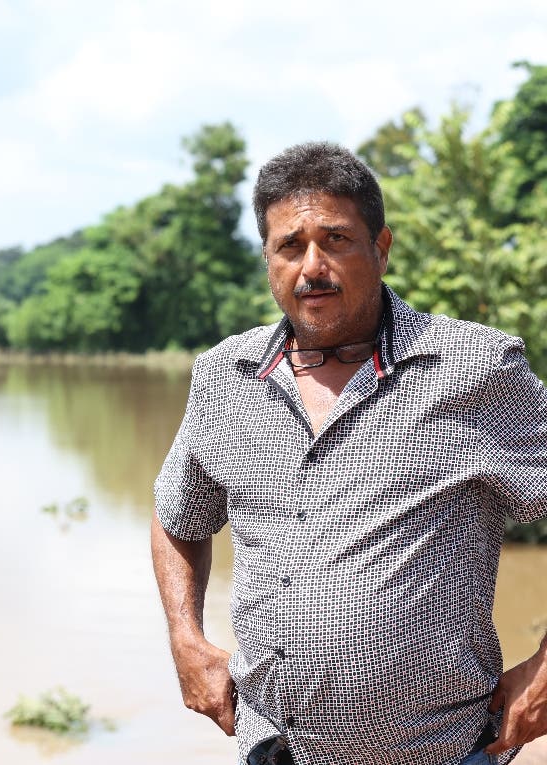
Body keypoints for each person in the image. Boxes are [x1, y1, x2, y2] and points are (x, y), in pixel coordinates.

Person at [151, 142, 547, 765]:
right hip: (274, 750)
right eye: (289, 246)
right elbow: (178, 515)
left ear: (380, 247)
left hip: (447, 750)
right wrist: (185, 639)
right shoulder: (227, 376)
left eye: (334, 240)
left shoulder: (475, 367)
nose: (312, 266)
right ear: (267, 259)